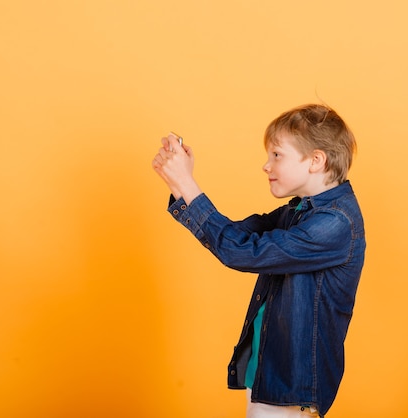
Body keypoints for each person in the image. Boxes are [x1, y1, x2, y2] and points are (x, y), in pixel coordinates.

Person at [152, 104, 366, 417]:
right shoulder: (300, 210)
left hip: (292, 386)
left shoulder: (334, 223)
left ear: (316, 160)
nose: (266, 166)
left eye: (277, 155)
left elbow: (240, 251)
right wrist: (178, 183)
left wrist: (188, 185)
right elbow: (235, 235)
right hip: (268, 371)